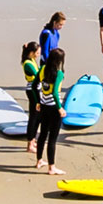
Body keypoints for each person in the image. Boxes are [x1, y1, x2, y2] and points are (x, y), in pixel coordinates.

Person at [32, 47, 67, 175]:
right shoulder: (59, 74)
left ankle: (39, 161)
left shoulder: (42, 69)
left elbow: (34, 86)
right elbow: (55, 92)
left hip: (43, 106)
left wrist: (37, 101)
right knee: (52, 139)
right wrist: (60, 108)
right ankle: (52, 168)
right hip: (53, 108)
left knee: (42, 135)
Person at [21, 42, 41, 153]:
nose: (38, 55)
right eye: (37, 53)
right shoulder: (27, 63)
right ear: (31, 52)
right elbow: (38, 75)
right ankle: (30, 144)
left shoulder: (32, 60)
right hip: (32, 91)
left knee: (37, 117)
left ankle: (33, 141)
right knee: (33, 117)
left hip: (36, 90)